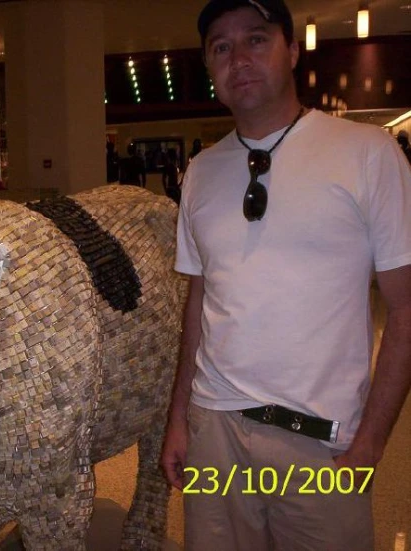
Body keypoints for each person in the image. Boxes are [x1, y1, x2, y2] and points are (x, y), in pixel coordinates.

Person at [160, 1, 411, 550]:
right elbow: (200, 302)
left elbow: (406, 305)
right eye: (221, 47)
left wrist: (371, 442)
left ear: (292, 50)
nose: (239, 58)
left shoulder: (368, 154)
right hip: (216, 431)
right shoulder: (201, 171)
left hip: (319, 439)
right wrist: (180, 419)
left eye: (256, 39)